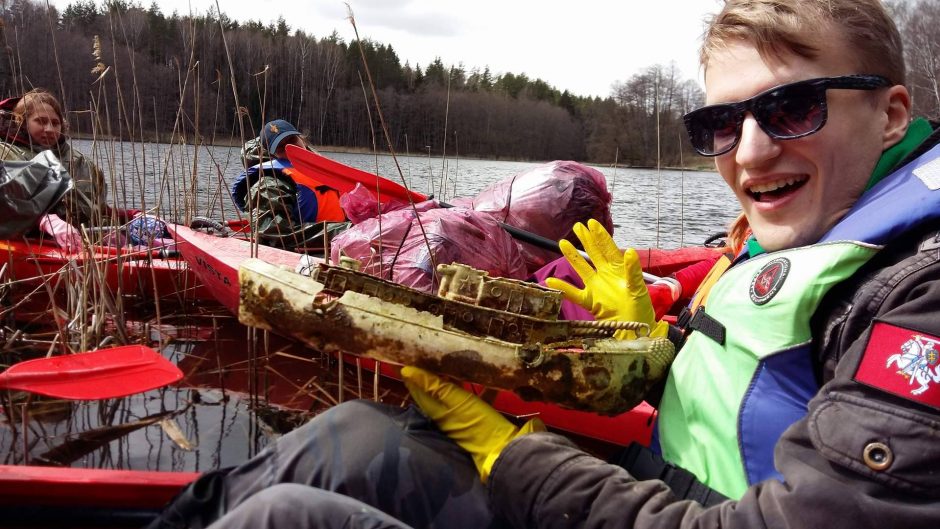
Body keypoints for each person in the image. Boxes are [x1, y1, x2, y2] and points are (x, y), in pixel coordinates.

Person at [150, 1, 940, 527]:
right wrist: (651, 354)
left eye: (794, 106)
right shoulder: (815, 222)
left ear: (891, 112)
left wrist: (514, 455)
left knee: (290, 518)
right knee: (346, 433)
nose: (753, 151)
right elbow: (765, 392)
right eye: (720, 124)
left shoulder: (919, 292)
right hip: (668, 484)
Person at [230, 119, 346, 250]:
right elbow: (276, 234)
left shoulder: (321, 172)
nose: (290, 149)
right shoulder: (268, 184)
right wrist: (345, 232)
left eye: (292, 140)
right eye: (281, 148)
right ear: (272, 154)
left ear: (301, 139)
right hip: (305, 255)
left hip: (340, 245)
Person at [0, 89, 107, 230]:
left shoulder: (83, 163)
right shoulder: (4, 154)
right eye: (41, 121)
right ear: (21, 121)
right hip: (26, 243)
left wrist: (133, 216)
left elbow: (101, 212)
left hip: (79, 243)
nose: (50, 129)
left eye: (55, 123)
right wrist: (44, 221)